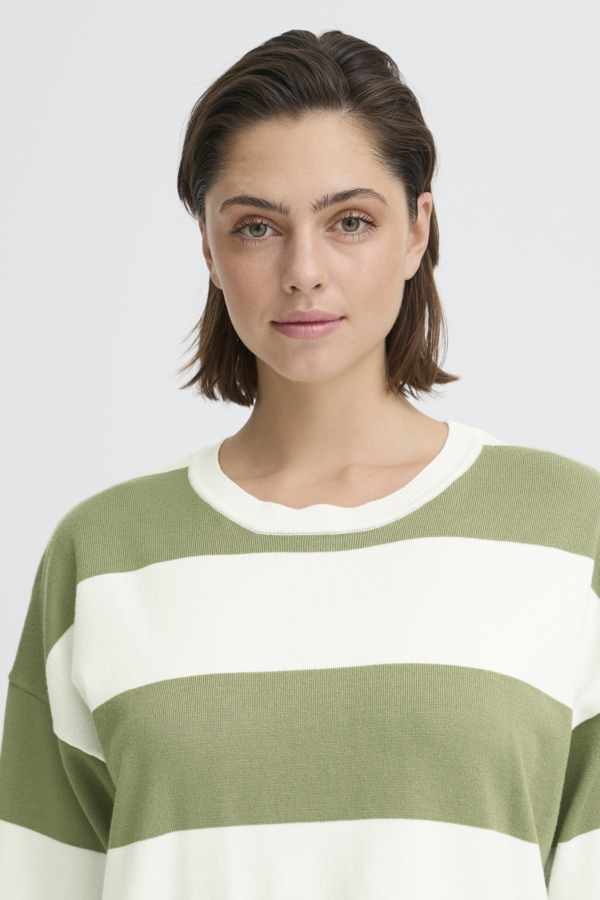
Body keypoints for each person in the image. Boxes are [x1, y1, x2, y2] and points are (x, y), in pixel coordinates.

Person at [0, 27, 598, 900]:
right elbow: (37, 878)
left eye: (350, 221)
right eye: (257, 227)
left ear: (416, 231)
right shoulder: (101, 557)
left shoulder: (568, 531)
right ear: (209, 248)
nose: (303, 270)